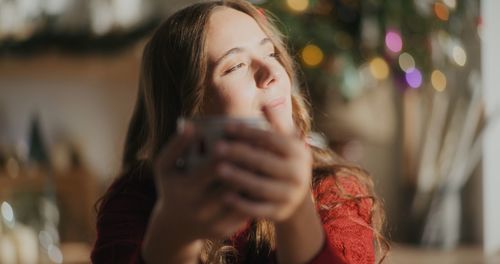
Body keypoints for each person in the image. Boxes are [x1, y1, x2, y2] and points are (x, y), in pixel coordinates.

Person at [91, 0, 388, 263]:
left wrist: (297, 211)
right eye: (235, 66)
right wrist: (173, 234)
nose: (271, 73)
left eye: (271, 54)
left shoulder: (334, 191)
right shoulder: (137, 199)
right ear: (188, 111)